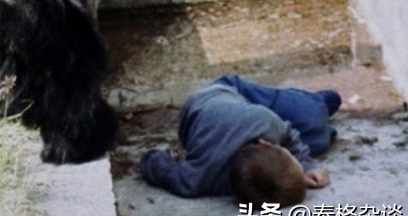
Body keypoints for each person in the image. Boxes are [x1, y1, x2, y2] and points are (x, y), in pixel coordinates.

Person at [139, 75, 340, 205]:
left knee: (313, 120)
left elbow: (157, 167)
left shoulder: (265, 123)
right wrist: (304, 167)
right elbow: (289, 137)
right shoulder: (198, 179)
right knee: (318, 140)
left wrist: (305, 165)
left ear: (266, 143)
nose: (292, 152)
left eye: (288, 154)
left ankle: (316, 104)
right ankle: (320, 107)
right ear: (267, 142)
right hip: (229, 101)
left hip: (220, 96)